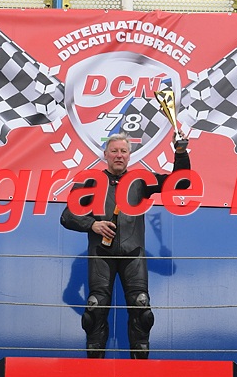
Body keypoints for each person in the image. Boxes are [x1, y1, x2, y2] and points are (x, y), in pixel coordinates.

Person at [61, 133, 191, 359]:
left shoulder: (140, 180)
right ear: (105, 155)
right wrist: (92, 224)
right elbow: (66, 216)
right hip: (101, 254)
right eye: (114, 151)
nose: (119, 155)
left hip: (134, 253)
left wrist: (180, 152)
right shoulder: (90, 181)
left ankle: (139, 373)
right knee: (94, 310)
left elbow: (180, 183)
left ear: (130, 156)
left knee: (142, 309)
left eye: (123, 151)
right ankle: (93, 373)